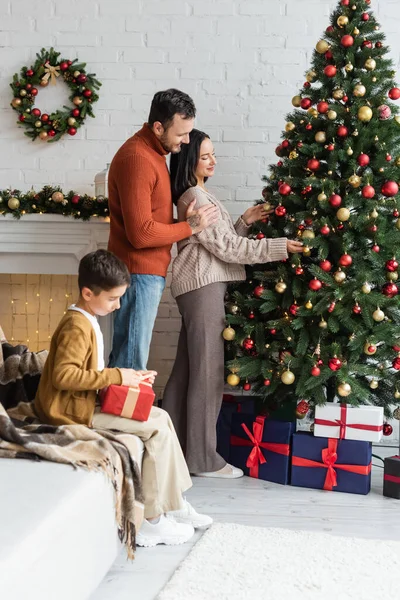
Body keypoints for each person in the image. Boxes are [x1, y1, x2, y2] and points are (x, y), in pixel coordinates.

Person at [35, 249, 212, 547]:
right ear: (88, 293)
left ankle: (174, 502)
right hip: (70, 411)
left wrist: (129, 376)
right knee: (154, 428)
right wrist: (119, 377)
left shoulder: (88, 318)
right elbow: (64, 377)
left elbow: (92, 370)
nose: (118, 306)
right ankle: (152, 521)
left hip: (84, 401)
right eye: (112, 299)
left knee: (161, 417)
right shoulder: (76, 326)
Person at [162, 130, 304, 479]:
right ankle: (202, 460)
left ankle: (173, 450)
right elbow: (228, 251)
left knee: (186, 372)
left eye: (213, 155)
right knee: (208, 374)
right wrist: (278, 246)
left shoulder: (198, 194)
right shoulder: (195, 196)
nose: (213, 161)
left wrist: (242, 222)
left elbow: (218, 245)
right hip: (204, 288)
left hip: (200, 285)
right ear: (189, 159)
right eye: (206, 155)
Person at [107, 89, 219, 371]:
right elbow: (141, 233)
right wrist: (190, 227)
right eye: (181, 134)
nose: (185, 140)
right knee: (130, 362)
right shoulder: (138, 159)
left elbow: (151, 216)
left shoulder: (155, 153)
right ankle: (123, 415)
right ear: (158, 127)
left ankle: (121, 413)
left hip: (146, 272)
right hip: (137, 273)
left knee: (129, 356)